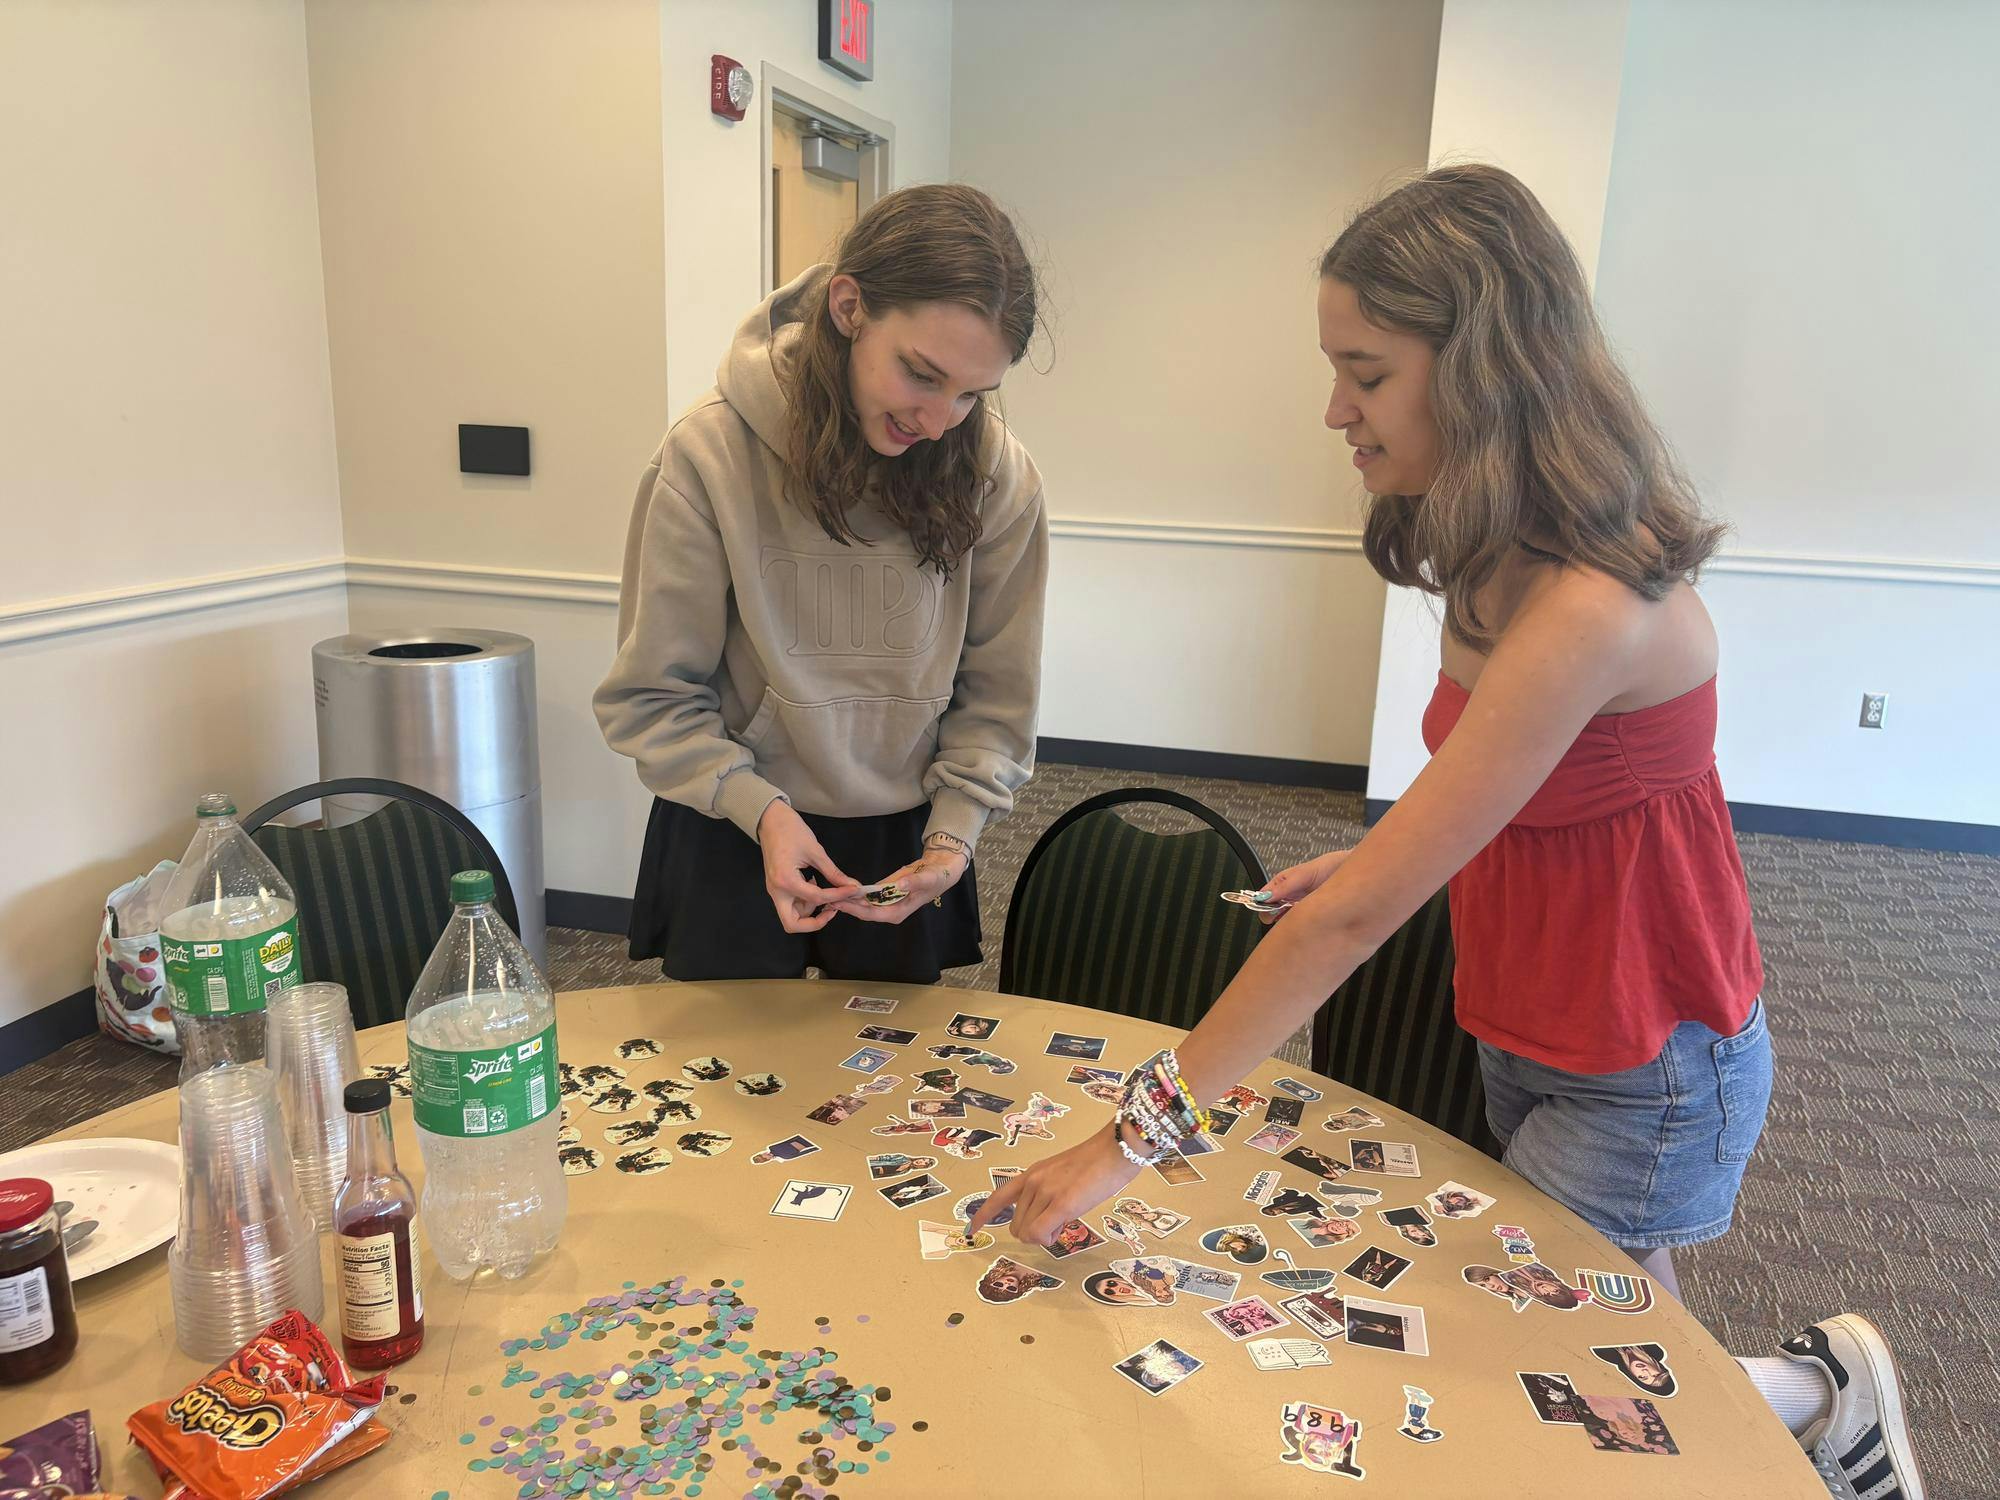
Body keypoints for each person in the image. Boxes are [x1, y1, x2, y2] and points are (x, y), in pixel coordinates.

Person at [971, 165, 1924, 1497]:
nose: (1334, 410)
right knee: (1623, 1352)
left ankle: (1814, 1408)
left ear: (1478, 369)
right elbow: (1493, 802)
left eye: (1365, 372)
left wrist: (1125, 1145)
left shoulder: (1593, 602)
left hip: (1649, 1061)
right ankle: (1822, 1396)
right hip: (1535, 1015)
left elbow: (1362, 928)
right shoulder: (1496, 546)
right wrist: (1371, 855)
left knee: (1553, 1377)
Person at [596, 184, 1047, 985]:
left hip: (908, 836)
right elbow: (653, 697)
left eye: (974, 392)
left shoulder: (996, 473)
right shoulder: (709, 455)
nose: (942, 419)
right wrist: (760, 811)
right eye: (921, 374)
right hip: (732, 820)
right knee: (724, 1089)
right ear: (848, 307)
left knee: (894, 1093)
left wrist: (953, 840)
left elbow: (997, 699)